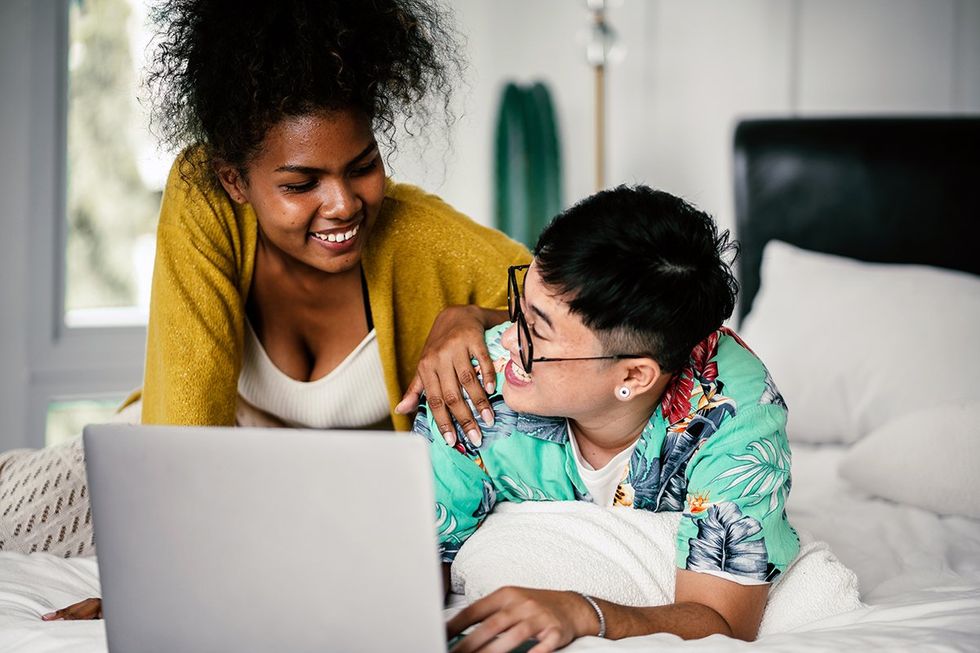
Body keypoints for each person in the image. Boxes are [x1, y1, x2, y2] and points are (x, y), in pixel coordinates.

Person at [15, 0, 530, 620]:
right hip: (188, 468)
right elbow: (183, 434)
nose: (342, 204)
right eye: (299, 184)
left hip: (332, 501)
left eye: (362, 167)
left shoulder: (423, 237)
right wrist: (167, 575)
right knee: (29, 511)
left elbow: (581, 305)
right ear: (237, 181)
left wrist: (477, 318)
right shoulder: (205, 195)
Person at [413, 185, 800, 651]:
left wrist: (583, 612)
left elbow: (722, 620)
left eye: (537, 332)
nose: (508, 341)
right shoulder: (475, 385)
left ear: (634, 376)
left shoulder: (736, 415)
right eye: (520, 308)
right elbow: (416, 567)